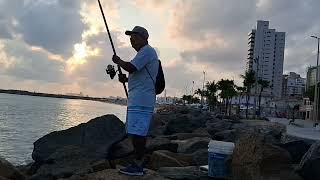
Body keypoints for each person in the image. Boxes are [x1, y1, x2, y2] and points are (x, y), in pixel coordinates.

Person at [112, 26, 159, 176]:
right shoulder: (142, 54)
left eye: (134, 37)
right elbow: (136, 74)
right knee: (134, 131)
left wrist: (119, 61)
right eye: (130, 38)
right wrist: (125, 79)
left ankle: (138, 164)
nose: (132, 41)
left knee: (138, 133)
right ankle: (138, 161)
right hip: (138, 99)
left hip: (142, 100)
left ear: (144, 38)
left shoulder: (147, 51)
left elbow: (131, 67)